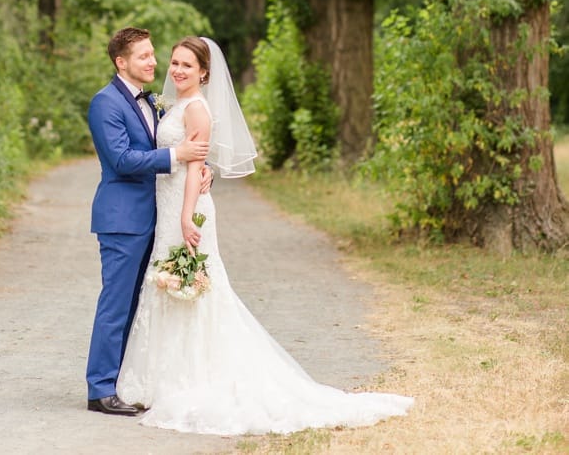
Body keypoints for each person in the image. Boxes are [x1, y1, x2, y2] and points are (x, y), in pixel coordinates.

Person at [117, 35, 412, 434]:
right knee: (169, 288)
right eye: (175, 62)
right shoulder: (175, 106)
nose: (177, 70)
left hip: (184, 211)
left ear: (205, 72)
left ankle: (192, 377)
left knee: (195, 290)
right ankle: (160, 378)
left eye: (187, 64)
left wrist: (187, 216)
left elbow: (192, 168)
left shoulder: (198, 110)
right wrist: (198, 180)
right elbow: (187, 161)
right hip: (169, 207)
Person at [85, 27, 210, 416]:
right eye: (144, 56)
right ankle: (100, 389)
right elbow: (122, 160)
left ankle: (124, 381)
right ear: (121, 62)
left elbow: (190, 145)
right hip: (122, 219)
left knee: (140, 304)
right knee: (116, 304)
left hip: (156, 218)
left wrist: (201, 169)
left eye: (154, 54)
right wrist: (178, 155)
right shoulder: (105, 103)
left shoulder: (155, 102)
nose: (153, 62)